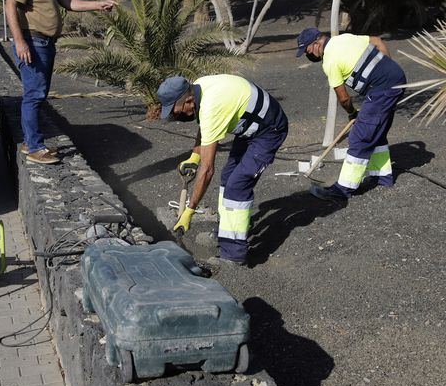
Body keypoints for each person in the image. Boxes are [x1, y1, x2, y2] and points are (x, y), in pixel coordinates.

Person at [5, 0, 116, 165]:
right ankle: (34, 147)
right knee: (34, 94)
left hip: (45, 42)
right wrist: (20, 41)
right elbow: (11, 5)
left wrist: (98, 4)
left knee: (38, 93)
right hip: (33, 41)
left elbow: (67, 2)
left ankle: (30, 141)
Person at [158, 74, 288, 267]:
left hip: (270, 130)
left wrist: (189, 211)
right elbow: (204, 128)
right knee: (228, 176)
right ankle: (226, 232)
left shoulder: (212, 105)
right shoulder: (199, 88)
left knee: (238, 185)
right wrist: (194, 157)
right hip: (249, 128)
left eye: (177, 111)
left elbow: (207, 170)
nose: (179, 115)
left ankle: (233, 255)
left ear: (188, 100)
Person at [296, 27, 406, 202]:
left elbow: (344, 98)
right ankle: (382, 177)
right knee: (376, 131)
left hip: (382, 89)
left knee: (360, 136)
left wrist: (352, 113)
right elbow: (377, 40)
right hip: (397, 78)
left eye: (308, 51)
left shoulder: (330, 61)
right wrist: (388, 67)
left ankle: (342, 190)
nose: (309, 56)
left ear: (316, 43)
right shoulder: (343, 38)